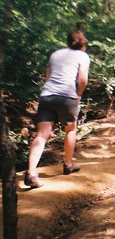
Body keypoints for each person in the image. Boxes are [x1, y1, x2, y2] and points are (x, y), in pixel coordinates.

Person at [24, 30, 90, 189]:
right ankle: (68, 164)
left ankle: (31, 172)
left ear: (67, 42)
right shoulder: (83, 56)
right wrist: (78, 95)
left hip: (47, 95)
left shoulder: (55, 54)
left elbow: (48, 77)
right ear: (83, 44)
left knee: (41, 134)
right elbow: (83, 80)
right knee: (70, 129)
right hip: (67, 96)